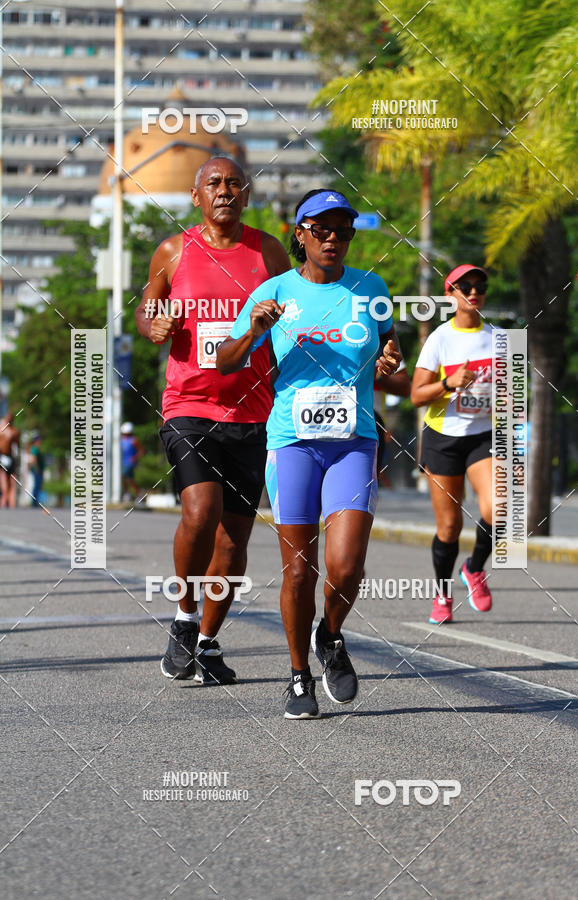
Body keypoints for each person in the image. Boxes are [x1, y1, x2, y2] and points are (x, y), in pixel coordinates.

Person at [218, 189, 401, 719]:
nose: (333, 239)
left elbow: (390, 347)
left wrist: (390, 360)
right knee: (300, 572)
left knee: (345, 566)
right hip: (292, 442)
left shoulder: (371, 288)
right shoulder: (273, 292)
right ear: (299, 233)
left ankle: (332, 634)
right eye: (320, 229)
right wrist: (255, 329)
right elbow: (227, 363)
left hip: (354, 442)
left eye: (343, 230)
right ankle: (299, 676)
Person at [135, 156, 289, 686]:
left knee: (233, 542)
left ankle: (207, 641)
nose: (224, 191)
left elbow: (298, 308)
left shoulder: (267, 250)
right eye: (214, 184)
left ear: (246, 196)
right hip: (189, 405)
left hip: (253, 410)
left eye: (234, 184)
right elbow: (147, 308)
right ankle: (182, 617)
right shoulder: (173, 251)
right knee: (201, 512)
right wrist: (156, 325)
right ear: (196, 196)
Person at [411, 264, 494, 624]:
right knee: (449, 528)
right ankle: (442, 594)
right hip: (443, 439)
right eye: (465, 286)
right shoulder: (440, 339)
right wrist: (449, 383)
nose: (473, 292)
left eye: (479, 286)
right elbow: (416, 395)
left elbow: (512, 395)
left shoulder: (499, 338)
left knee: (499, 508)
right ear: (451, 294)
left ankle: (474, 569)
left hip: (482, 436)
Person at [373, 368, 411, 486]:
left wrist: (376, 374)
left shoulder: (384, 348)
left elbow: (405, 388)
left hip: (370, 425)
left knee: (363, 491)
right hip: (317, 427)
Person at [0, 412, 20, 508]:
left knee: (11, 480)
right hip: (2, 457)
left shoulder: (14, 432)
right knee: (4, 480)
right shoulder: (1, 430)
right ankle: (4, 500)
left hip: (10, 458)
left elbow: (17, 446)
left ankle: (11, 503)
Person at [120, 422, 144, 500]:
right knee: (130, 479)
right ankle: (138, 494)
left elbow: (142, 450)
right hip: (122, 462)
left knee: (123, 477)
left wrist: (135, 458)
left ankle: (128, 493)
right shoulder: (121, 440)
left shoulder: (133, 440)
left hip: (129, 463)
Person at [29, 432, 45, 507]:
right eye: (39, 439)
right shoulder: (35, 448)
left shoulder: (37, 448)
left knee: (38, 486)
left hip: (39, 470)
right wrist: (36, 468)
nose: (41, 440)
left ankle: (35, 502)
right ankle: (34, 503)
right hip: (37, 470)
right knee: (36, 486)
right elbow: (34, 459)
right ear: (36, 440)